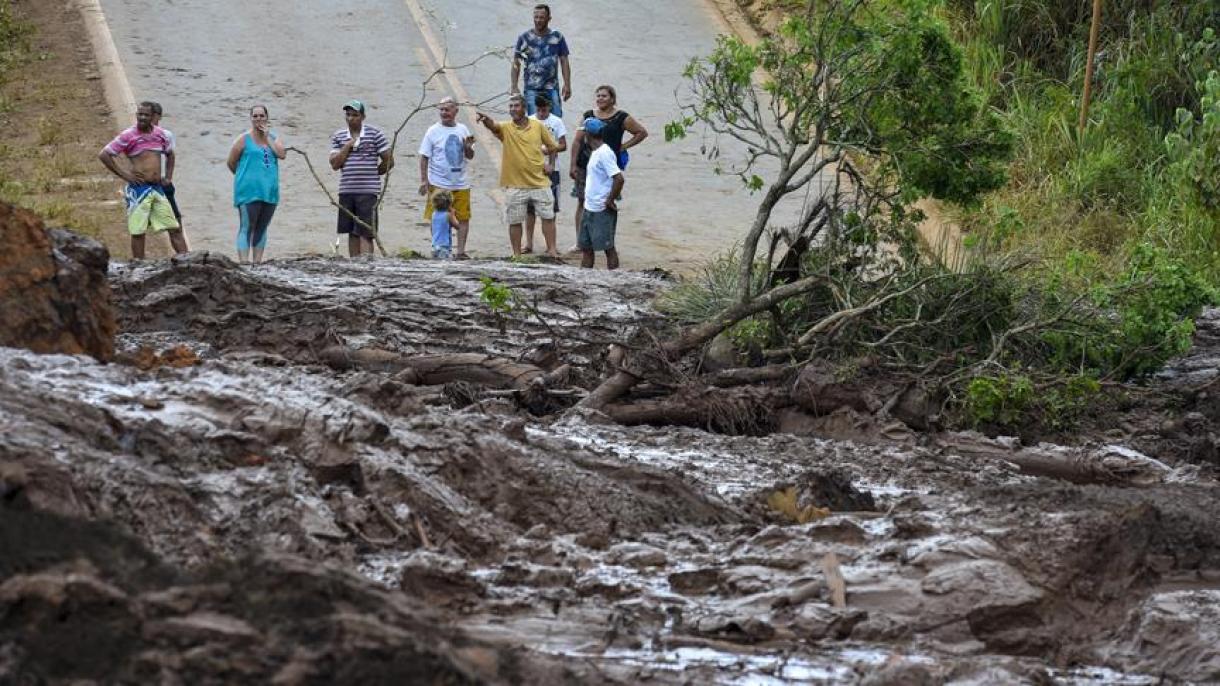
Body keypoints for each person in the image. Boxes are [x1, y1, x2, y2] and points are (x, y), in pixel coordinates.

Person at [98, 101, 188, 259]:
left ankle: (188, 261)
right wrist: (125, 175)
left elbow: (170, 154)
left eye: (146, 115)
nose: (142, 118)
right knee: (138, 231)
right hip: (139, 191)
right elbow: (104, 155)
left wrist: (168, 177)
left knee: (174, 227)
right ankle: (139, 267)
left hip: (157, 189)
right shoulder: (128, 135)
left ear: (153, 116)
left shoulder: (161, 134)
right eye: (140, 114)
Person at [475, 94, 561, 258]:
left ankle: (551, 250)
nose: (512, 109)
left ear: (524, 108)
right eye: (511, 106)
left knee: (548, 217)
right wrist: (486, 120)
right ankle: (516, 255)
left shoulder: (537, 126)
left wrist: (551, 165)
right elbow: (494, 126)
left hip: (539, 182)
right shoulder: (506, 127)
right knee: (514, 221)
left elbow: (552, 146)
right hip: (515, 184)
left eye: (516, 106)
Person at [569, 85, 647, 250]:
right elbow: (577, 141)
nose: (600, 99)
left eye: (604, 96)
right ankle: (580, 242)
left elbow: (641, 132)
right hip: (586, 165)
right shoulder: (588, 116)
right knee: (583, 201)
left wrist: (623, 146)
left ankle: (606, 241)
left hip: (609, 168)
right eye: (598, 96)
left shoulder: (621, 117)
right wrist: (573, 164)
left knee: (608, 202)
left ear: (612, 99)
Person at [329, 99, 393, 257]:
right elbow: (335, 164)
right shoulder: (339, 136)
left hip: (368, 192)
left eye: (355, 115)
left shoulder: (374, 134)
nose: (351, 118)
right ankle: (354, 264)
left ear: (363, 117)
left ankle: (366, 264)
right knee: (351, 231)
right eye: (348, 115)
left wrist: (376, 173)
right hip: (346, 190)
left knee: (366, 231)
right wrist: (347, 146)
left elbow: (389, 159)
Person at [226, 105, 286, 264]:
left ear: (267, 118)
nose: (259, 119)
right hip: (248, 191)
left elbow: (281, 154)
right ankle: (244, 263)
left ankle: (258, 263)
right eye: (255, 116)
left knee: (262, 227)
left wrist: (267, 139)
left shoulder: (274, 138)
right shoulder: (243, 139)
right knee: (246, 226)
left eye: (261, 116)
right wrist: (243, 177)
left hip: (269, 191)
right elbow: (231, 163)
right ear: (251, 118)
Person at [418, 97, 475, 259]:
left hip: (460, 183)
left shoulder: (463, 129)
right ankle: (438, 247)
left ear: (456, 111)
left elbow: (470, 155)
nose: (444, 113)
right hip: (438, 183)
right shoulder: (432, 131)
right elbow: (424, 157)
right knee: (437, 217)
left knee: (463, 217)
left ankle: (461, 251)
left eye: (447, 110)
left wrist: (467, 147)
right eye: (441, 110)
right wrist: (424, 180)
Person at [578, 118, 625, 270]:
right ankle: (584, 277)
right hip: (589, 206)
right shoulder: (596, 152)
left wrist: (609, 200)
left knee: (608, 247)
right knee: (586, 247)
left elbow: (619, 178)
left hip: (600, 208)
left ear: (587, 135)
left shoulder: (604, 153)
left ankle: (615, 278)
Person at [524, 94, 567, 254]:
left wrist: (551, 149)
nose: (542, 113)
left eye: (544, 109)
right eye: (539, 110)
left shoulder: (556, 122)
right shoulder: (529, 121)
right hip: (532, 170)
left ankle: (551, 245)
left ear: (549, 107)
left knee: (550, 210)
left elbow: (563, 145)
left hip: (551, 170)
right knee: (529, 210)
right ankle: (528, 244)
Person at [511, 3, 571, 117]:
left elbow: (564, 61)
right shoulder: (524, 38)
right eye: (536, 17)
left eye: (542, 17)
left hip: (552, 87)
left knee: (555, 119)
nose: (538, 20)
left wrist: (567, 84)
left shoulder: (557, 37)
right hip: (531, 88)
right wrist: (514, 86)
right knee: (534, 122)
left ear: (549, 18)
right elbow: (516, 63)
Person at [149, 102, 183, 237]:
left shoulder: (165, 135)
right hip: (144, 185)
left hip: (162, 184)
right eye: (145, 115)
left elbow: (170, 155)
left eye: (152, 115)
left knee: (175, 223)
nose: (149, 118)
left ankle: (184, 255)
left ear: (159, 116)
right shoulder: (134, 134)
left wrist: (168, 177)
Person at [429, 190, 460, 259]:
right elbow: (457, 226)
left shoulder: (433, 214)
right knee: (446, 264)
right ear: (449, 204)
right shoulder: (448, 215)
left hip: (434, 245)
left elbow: (431, 229)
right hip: (444, 246)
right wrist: (453, 214)